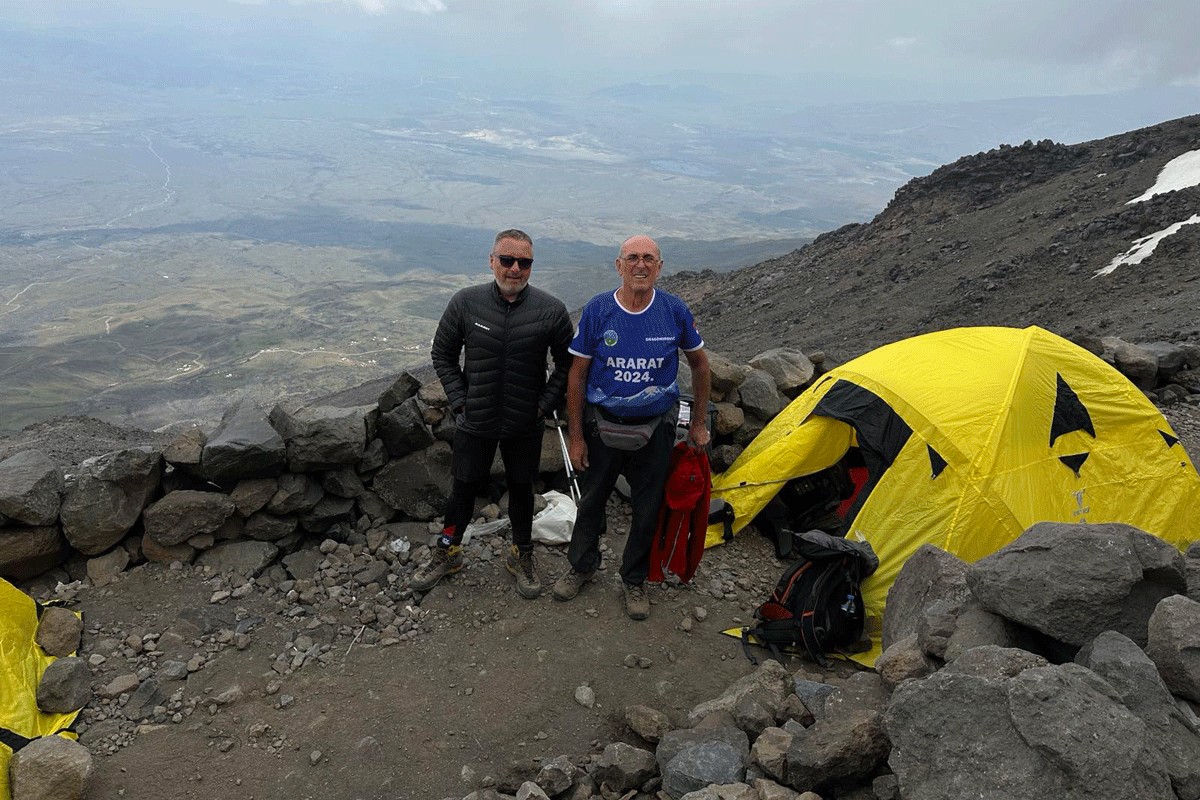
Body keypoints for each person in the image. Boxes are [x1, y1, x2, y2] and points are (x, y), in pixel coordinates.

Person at [554, 234, 711, 620]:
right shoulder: (598, 310)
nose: (640, 265)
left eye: (648, 259)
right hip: (602, 424)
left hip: (655, 428)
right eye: (632, 258)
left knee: (648, 507)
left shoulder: (673, 310)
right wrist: (576, 436)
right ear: (618, 265)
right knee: (591, 501)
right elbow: (577, 375)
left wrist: (699, 424)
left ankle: (634, 578)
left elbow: (700, 365)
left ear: (659, 267)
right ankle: (581, 566)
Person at [412, 229, 573, 598]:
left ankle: (522, 553)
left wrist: (542, 406)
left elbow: (568, 365)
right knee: (463, 489)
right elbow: (443, 353)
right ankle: (448, 551)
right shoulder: (466, 303)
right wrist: (461, 400)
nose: (515, 268)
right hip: (476, 419)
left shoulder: (550, 310)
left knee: (521, 489)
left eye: (524, 262)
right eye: (507, 260)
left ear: (531, 265)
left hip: (524, 422)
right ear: (491, 261)